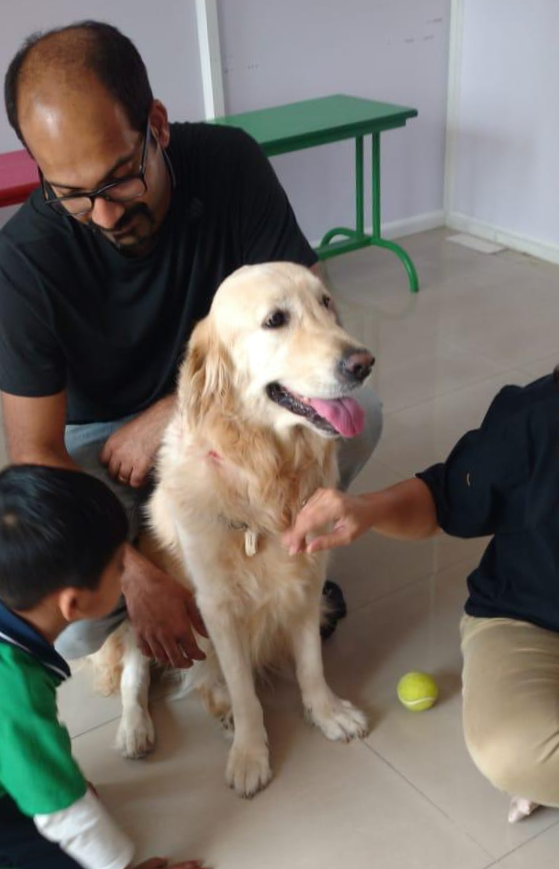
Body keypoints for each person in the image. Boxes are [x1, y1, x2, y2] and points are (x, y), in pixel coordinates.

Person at [0, 21, 383, 667]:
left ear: (157, 124)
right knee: (78, 625)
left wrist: (174, 411)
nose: (104, 215)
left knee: (355, 417)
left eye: (120, 177)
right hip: (99, 446)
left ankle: (268, 561)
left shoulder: (229, 164)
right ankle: (172, 575)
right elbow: (35, 454)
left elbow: (309, 308)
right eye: (69, 194)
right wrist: (134, 574)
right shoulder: (23, 260)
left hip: (215, 399)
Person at [283, 339, 559, 819]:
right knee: (511, 754)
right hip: (533, 621)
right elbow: (443, 500)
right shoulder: (541, 414)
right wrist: (366, 510)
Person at [0, 465, 214, 869]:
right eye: (122, 565)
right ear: (73, 604)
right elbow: (63, 811)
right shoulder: (12, 691)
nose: (130, 572)